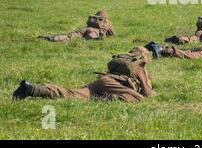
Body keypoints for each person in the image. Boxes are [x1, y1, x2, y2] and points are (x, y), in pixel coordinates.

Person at [13, 47, 155, 102]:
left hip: (101, 81)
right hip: (113, 85)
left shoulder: (124, 61)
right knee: (138, 98)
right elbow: (147, 93)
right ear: (144, 58)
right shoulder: (139, 67)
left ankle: (31, 88)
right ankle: (108, 99)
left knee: (70, 93)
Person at [40, 10, 115, 42]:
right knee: (90, 38)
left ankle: (54, 38)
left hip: (84, 29)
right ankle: (92, 38)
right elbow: (112, 33)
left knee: (70, 35)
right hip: (94, 31)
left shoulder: (94, 18)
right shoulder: (106, 21)